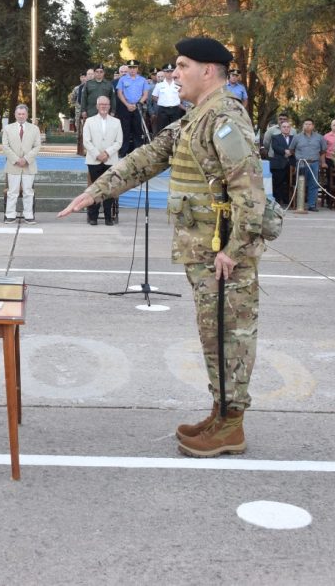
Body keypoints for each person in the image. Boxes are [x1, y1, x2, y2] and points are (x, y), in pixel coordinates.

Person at [58, 35, 265, 458]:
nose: (174, 74)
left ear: (208, 71)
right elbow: (150, 156)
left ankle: (232, 426)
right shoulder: (196, 117)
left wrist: (235, 249)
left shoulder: (225, 117)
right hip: (203, 250)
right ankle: (220, 413)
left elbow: (250, 192)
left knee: (231, 334)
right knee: (213, 334)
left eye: (182, 66)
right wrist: (97, 191)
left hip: (222, 254)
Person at [82, 95, 121, 225]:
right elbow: (86, 141)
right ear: (97, 106)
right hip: (94, 160)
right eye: (101, 104)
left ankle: (109, 217)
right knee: (95, 189)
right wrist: (97, 154)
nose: (104, 106)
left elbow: (119, 142)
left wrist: (107, 153)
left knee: (109, 190)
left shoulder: (116, 122)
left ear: (109, 106)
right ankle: (93, 216)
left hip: (110, 160)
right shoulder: (89, 121)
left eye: (106, 104)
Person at [2, 103, 41, 224]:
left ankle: (28, 215)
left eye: (23, 114)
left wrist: (26, 159)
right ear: (15, 114)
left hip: (29, 165)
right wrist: (17, 159)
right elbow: (5, 146)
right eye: (19, 114)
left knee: (28, 191)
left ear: (27, 115)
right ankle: (10, 214)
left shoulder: (34, 129)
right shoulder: (8, 128)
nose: (21, 116)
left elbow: (37, 146)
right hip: (13, 165)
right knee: (12, 191)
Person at [289, 119, 327, 211]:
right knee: (301, 183)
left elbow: (323, 151)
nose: (307, 126)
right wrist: (299, 157)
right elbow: (291, 149)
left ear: (313, 126)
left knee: (313, 184)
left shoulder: (319, 137)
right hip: (301, 163)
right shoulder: (297, 137)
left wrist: (323, 162)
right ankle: (299, 204)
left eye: (310, 124)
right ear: (303, 125)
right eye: (306, 124)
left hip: (314, 163)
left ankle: (312, 205)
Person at [116, 59, 150, 156]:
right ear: (128, 68)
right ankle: (123, 152)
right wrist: (127, 104)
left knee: (137, 130)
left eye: (134, 68)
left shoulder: (142, 80)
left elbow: (145, 94)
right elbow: (119, 93)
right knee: (125, 130)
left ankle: (137, 152)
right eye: (130, 68)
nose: (132, 70)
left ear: (137, 68)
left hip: (137, 108)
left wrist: (138, 103)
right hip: (126, 107)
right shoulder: (122, 79)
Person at [268, 120, 294, 207]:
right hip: (279, 163)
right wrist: (285, 151)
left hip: (291, 163)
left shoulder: (294, 137)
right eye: (284, 127)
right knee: (278, 183)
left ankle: (288, 200)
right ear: (280, 128)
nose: (286, 128)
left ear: (290, 128)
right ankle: (277, 201)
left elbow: (296, 147)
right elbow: (275, 147)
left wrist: (291, 152)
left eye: (288, 127)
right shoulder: (275, 137)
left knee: (289, 183)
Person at [152, 64, 184, 132]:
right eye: (167, 72)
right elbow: (154, 96)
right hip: (163, 110)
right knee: (162, 129)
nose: (169, 74)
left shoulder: (178, 84)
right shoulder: (159, 84)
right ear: (164, 72)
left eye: (171, 71)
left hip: (175, 109)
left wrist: (177, 101)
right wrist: (162, 101)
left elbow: (182, 94)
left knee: (176, 130)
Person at [323, 118, 335, 196]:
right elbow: (323, 150)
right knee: (330, 180)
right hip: (329, 160)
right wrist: (323, 162)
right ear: (331, 126)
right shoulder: (326, 136)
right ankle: (330, 200)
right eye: (334, 125)